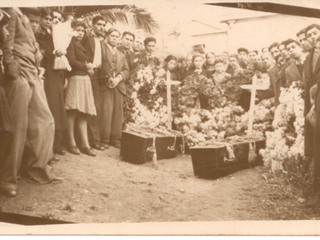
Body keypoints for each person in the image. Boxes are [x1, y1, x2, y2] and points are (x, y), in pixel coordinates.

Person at [0, 8, 62, 197]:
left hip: (33, 76)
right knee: (17, 128)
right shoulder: (10, 11)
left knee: (45, 122)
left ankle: (38, 170)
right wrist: (14, 72)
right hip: (19, 78)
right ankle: (7, 179)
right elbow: (6, 46)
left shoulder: (24, 17)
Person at [38, 9, 68, 159]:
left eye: (56, 19)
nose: (53, 21)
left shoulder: (54, 36)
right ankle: (46, 150)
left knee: (57, 109)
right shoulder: (39, 35)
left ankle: (55, 146)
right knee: (48, 109)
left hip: (56, 74)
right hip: (46, 74)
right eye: (50, 18)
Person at [65, 21, 97, 156]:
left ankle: (85, 144)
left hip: (84, 79)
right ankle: (71, 143)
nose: (80, 33)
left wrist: (87, 67)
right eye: (78, 30)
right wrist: (86, 67)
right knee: (72, 111)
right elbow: (71, 61)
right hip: (76, 78)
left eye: (82, 31)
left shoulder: (80, 44)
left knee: (83, 113)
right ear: (72, 30)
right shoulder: (69, 43)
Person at [100, 28, 129, 149]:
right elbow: (100, 66)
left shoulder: (121, 55)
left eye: (117, 37)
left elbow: (127, 70)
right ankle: (104, 139)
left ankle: (116, 139)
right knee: (106, 112)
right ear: (107, 37)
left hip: (118, 86)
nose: (115, 39)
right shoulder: (101, 50)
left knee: (117, 113)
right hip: (106, 85)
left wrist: (118, 78)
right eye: (112, 36)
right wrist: (108, 78)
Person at [81, 15, 106, 151]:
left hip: (98, 75)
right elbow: (78, 51)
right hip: (87, 73)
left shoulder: (102, 41)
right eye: (99, 24)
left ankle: (94, 140)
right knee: (88, 106)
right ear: (93, 25)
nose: (102, 27)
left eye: (103, 25)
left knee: (96, 107)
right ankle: (90, 141)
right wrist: (86, 65)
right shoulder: (86, 37)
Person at [304, 24, 320, 160]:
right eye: (309, 35)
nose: (312, 37)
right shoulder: (309, 57)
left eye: (315, 33)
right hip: (313, 100)